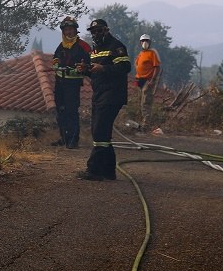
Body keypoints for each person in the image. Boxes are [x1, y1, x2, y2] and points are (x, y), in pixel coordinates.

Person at [79, 18, 131, 181]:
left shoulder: (116, 46)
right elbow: (96, 72)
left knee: (99, 132)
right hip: (99, 94)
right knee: (102, 133)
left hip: (112, 95)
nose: (96, 34)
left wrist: (103, 67)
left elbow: (125, 67)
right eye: (93, 31)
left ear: (106, 30)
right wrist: (85, 70)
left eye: (99, 30)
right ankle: (109, 171)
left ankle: (94, 170)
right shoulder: (95, 51)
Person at [51, 16, 93, 148]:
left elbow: (90, 63)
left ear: (76, 31)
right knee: (60, 111)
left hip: (72, 84)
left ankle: (73, 141)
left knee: (71, 111)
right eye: (66, 30)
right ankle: (64, 137)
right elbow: (55, 58)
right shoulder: (61, 45)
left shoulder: (83, 46)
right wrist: (56, 64)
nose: (68, 32)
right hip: (60, 82)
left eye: (71, 30)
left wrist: (81, 68)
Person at [134, 33, 162, 127]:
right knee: (139, 101)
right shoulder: (141, 54)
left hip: (148, 80)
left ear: (149, 42)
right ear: (140, 42)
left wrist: (152, 80)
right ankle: (140, 122)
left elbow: (156, 67)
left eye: (146, 41)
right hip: (139, 80)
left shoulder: (152, 53)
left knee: (146, 102)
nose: (144, 42)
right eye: (143, 41)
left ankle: (146, 125)